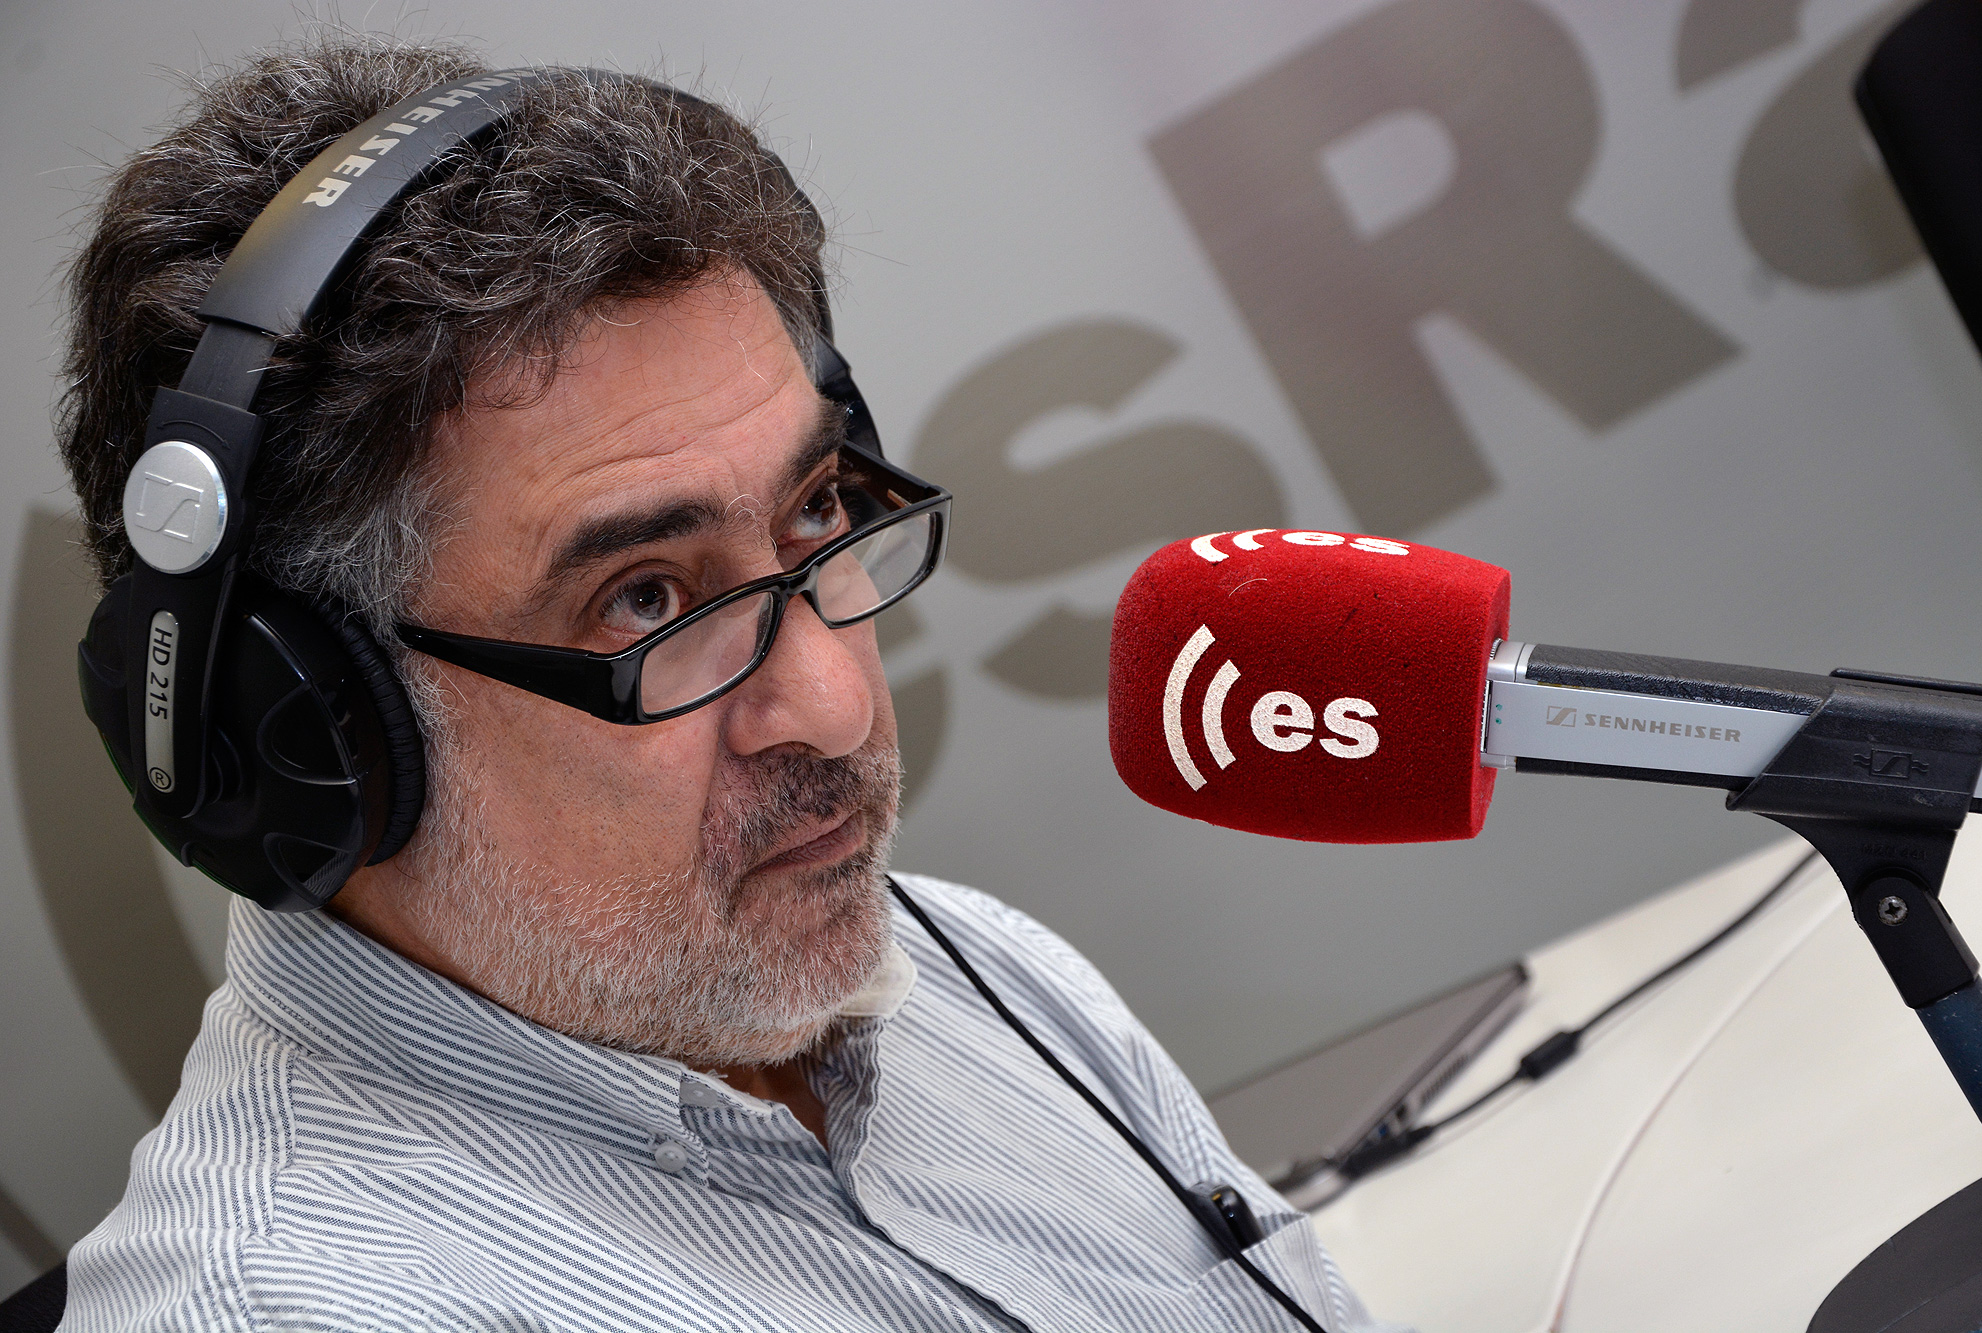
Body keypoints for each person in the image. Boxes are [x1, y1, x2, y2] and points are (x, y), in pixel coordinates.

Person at [54, 36, 1388, 1332]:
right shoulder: (287, 1308)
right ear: (316, 735)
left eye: (814, 510)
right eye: (647, 598)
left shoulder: (974, 967)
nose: (837, 707)